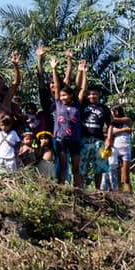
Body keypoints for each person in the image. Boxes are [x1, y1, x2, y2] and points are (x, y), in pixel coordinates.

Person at [49, 55, 87, 187]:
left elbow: (82, 89)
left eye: (65, 95)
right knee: (63, 166)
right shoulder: (59, 104)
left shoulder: (77, 104)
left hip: (75, 139)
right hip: (61, 139)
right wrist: (54, 69)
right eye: (61, 95)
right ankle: (61, 187)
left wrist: (83, 73)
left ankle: (78, 189)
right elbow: (58, 86)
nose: (63, 97)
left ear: (71, 95)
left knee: (76, 168)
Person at [80, 85, 112, 188]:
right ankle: (81, 188)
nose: (91, 96)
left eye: (94, 94)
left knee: (100, 166)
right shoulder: (82, 106)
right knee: (82, 166)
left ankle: (98, 189)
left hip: (99, 140)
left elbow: (110, 124)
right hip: (84, 139)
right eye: (89, 94)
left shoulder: (104, 108)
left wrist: (108, 139)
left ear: (98, 95)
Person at [107, 104, 133, 193]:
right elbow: (109, 132)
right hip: (115, 150)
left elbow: (114, 122)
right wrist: (124, 130)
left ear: (117, 111)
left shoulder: (127, 120)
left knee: (125, 177)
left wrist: (115, 131)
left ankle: (129, 195)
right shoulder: (111, 124)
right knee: (116, 176)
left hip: (126, 150)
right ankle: (118, 194)